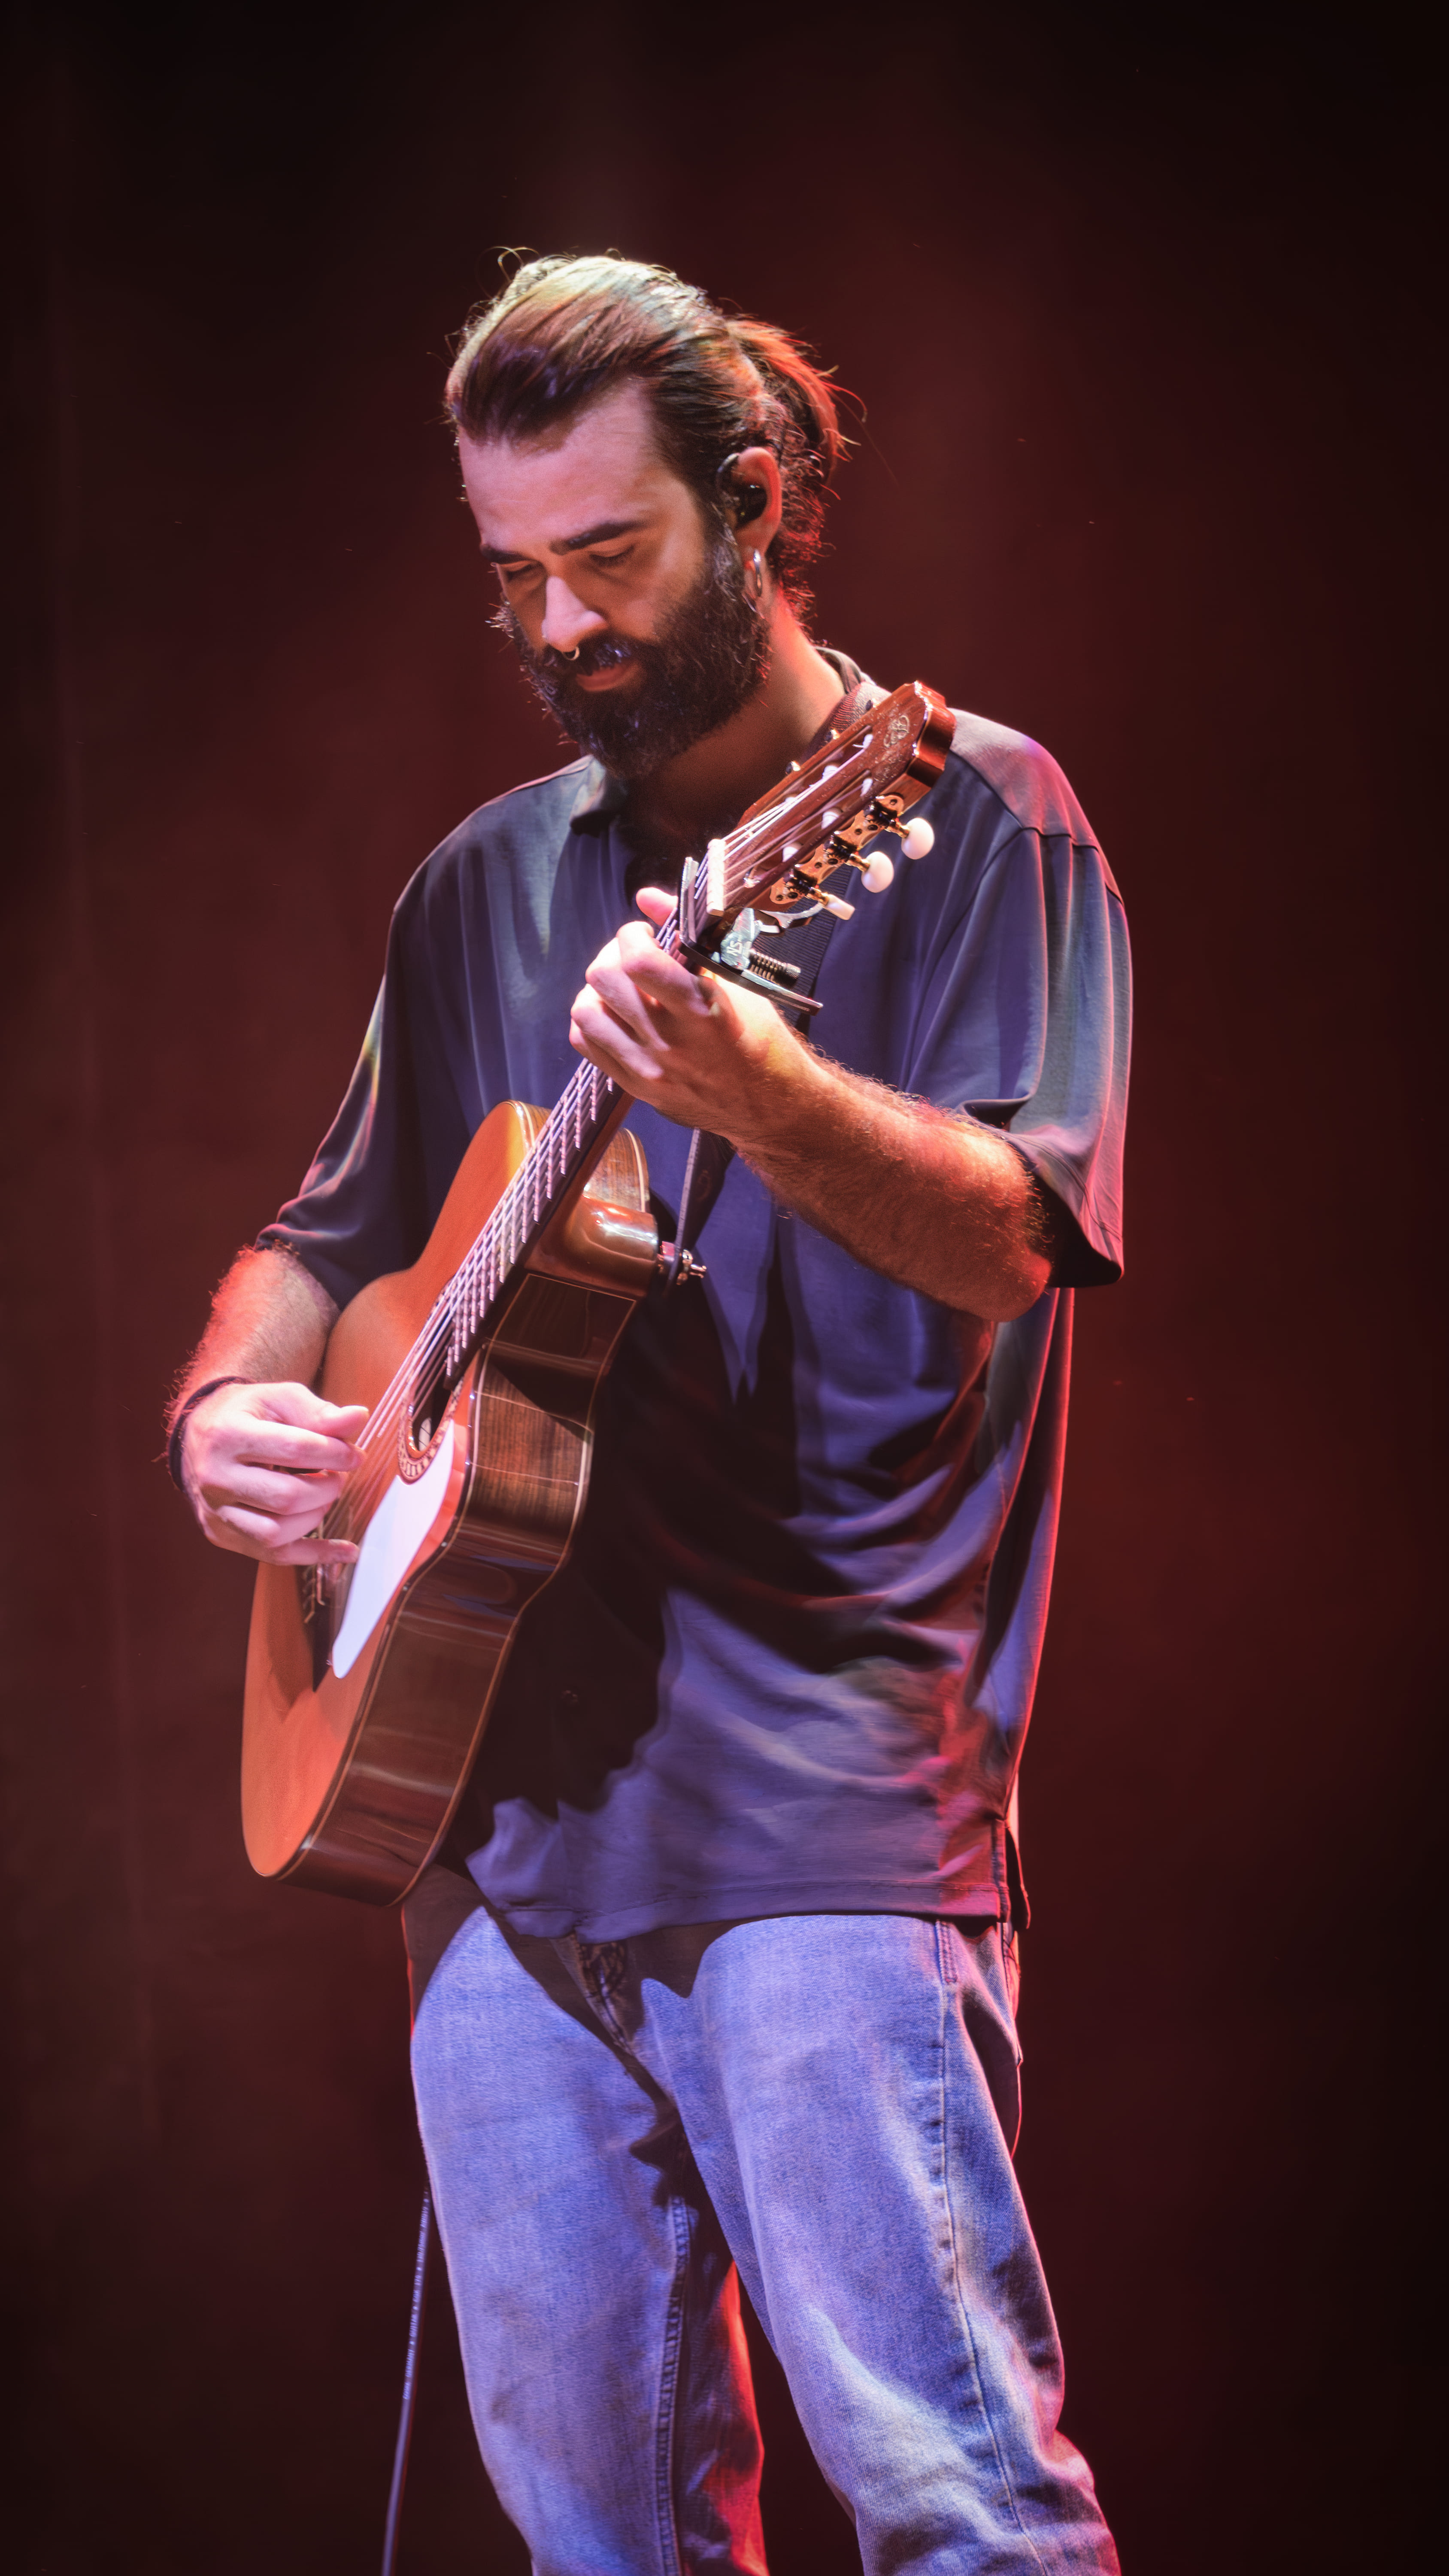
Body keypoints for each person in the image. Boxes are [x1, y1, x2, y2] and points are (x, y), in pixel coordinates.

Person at [169, 254, 1130, 2574]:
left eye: (613, 560)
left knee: (953, 2507)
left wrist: (755, 1084)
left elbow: (1018, 1231)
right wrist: (233, 1412)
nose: (563, 629)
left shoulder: (973, 815)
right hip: (494, 1844)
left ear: (758, 504)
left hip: (820, 1818)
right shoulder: (479, 885)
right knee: (599, 2550)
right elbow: (316, 1248)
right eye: (518, 580)